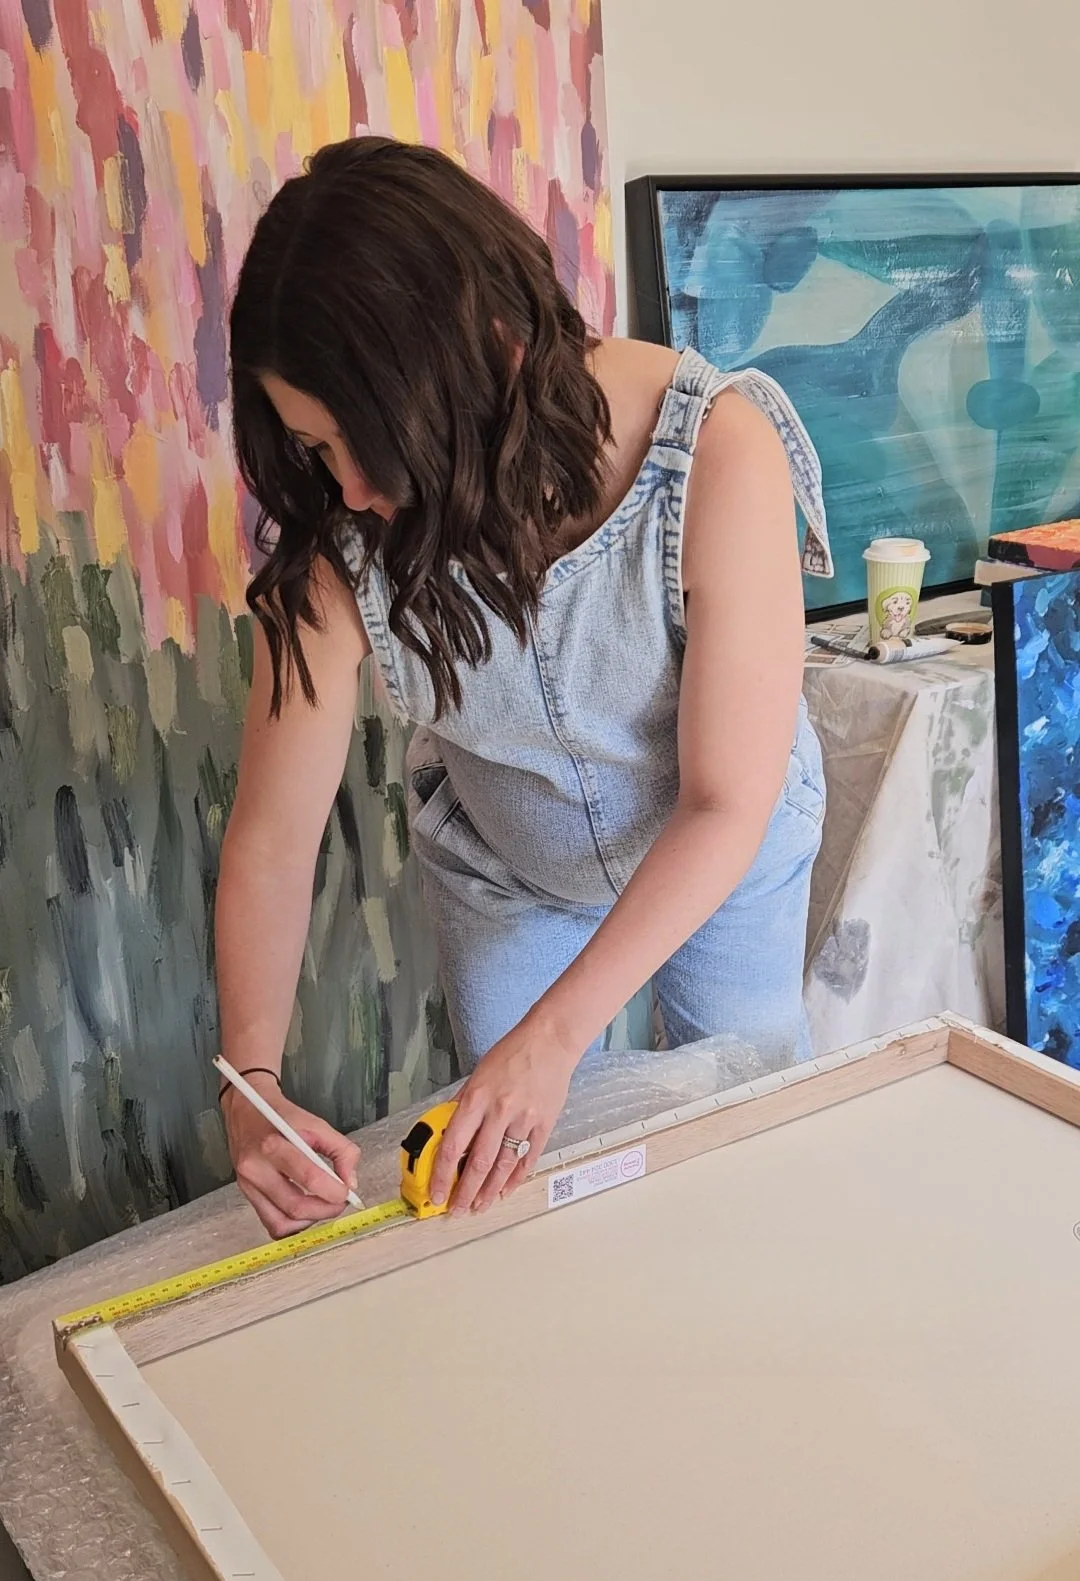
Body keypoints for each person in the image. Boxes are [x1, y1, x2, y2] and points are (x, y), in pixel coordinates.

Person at [217, 136, 832, 1239]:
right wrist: (247, 1077)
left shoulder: (719, 453)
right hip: (509, 866)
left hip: (721, 848)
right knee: (520, 1202)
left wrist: (550, 1044)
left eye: (368, 444)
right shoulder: (341, 541)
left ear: (485, 356)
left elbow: (725, 802)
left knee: (748, 1156)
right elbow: (271, 840)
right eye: (316, 452)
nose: (349, 491)